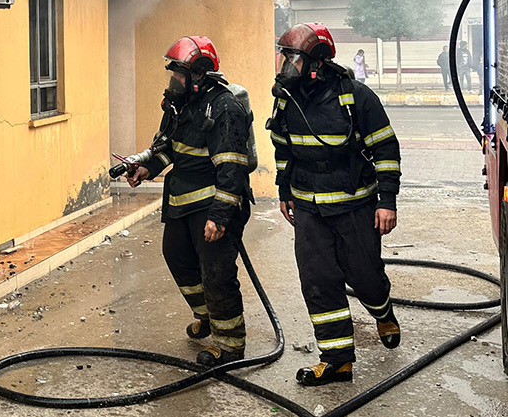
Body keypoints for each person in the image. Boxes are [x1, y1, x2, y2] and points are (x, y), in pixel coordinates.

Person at [269, 23, 403, 386]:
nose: (284, 63)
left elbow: (386, 150)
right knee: (318, 281)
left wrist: (386, 201)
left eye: (291, 56)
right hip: (309, 207)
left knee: (365, 277)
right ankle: (337, 361)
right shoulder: (287, 97)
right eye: (284, 55)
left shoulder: (356, 97)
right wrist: (284, 191)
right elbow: (283, 147)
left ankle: (382, 310)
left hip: (354, 206)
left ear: (315, 62)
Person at [125, 36, 253, 367]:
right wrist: (145, 168)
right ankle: (207, 315)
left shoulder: (225, 109)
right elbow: (167, 148)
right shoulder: (179, 105)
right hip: (182, 201)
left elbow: (232, 168)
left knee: (216, 273)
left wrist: (220, 216)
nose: (173, 81)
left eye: (179, 75)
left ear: (198, 75)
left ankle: (229, 344)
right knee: (177, 258)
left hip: (213, 205)